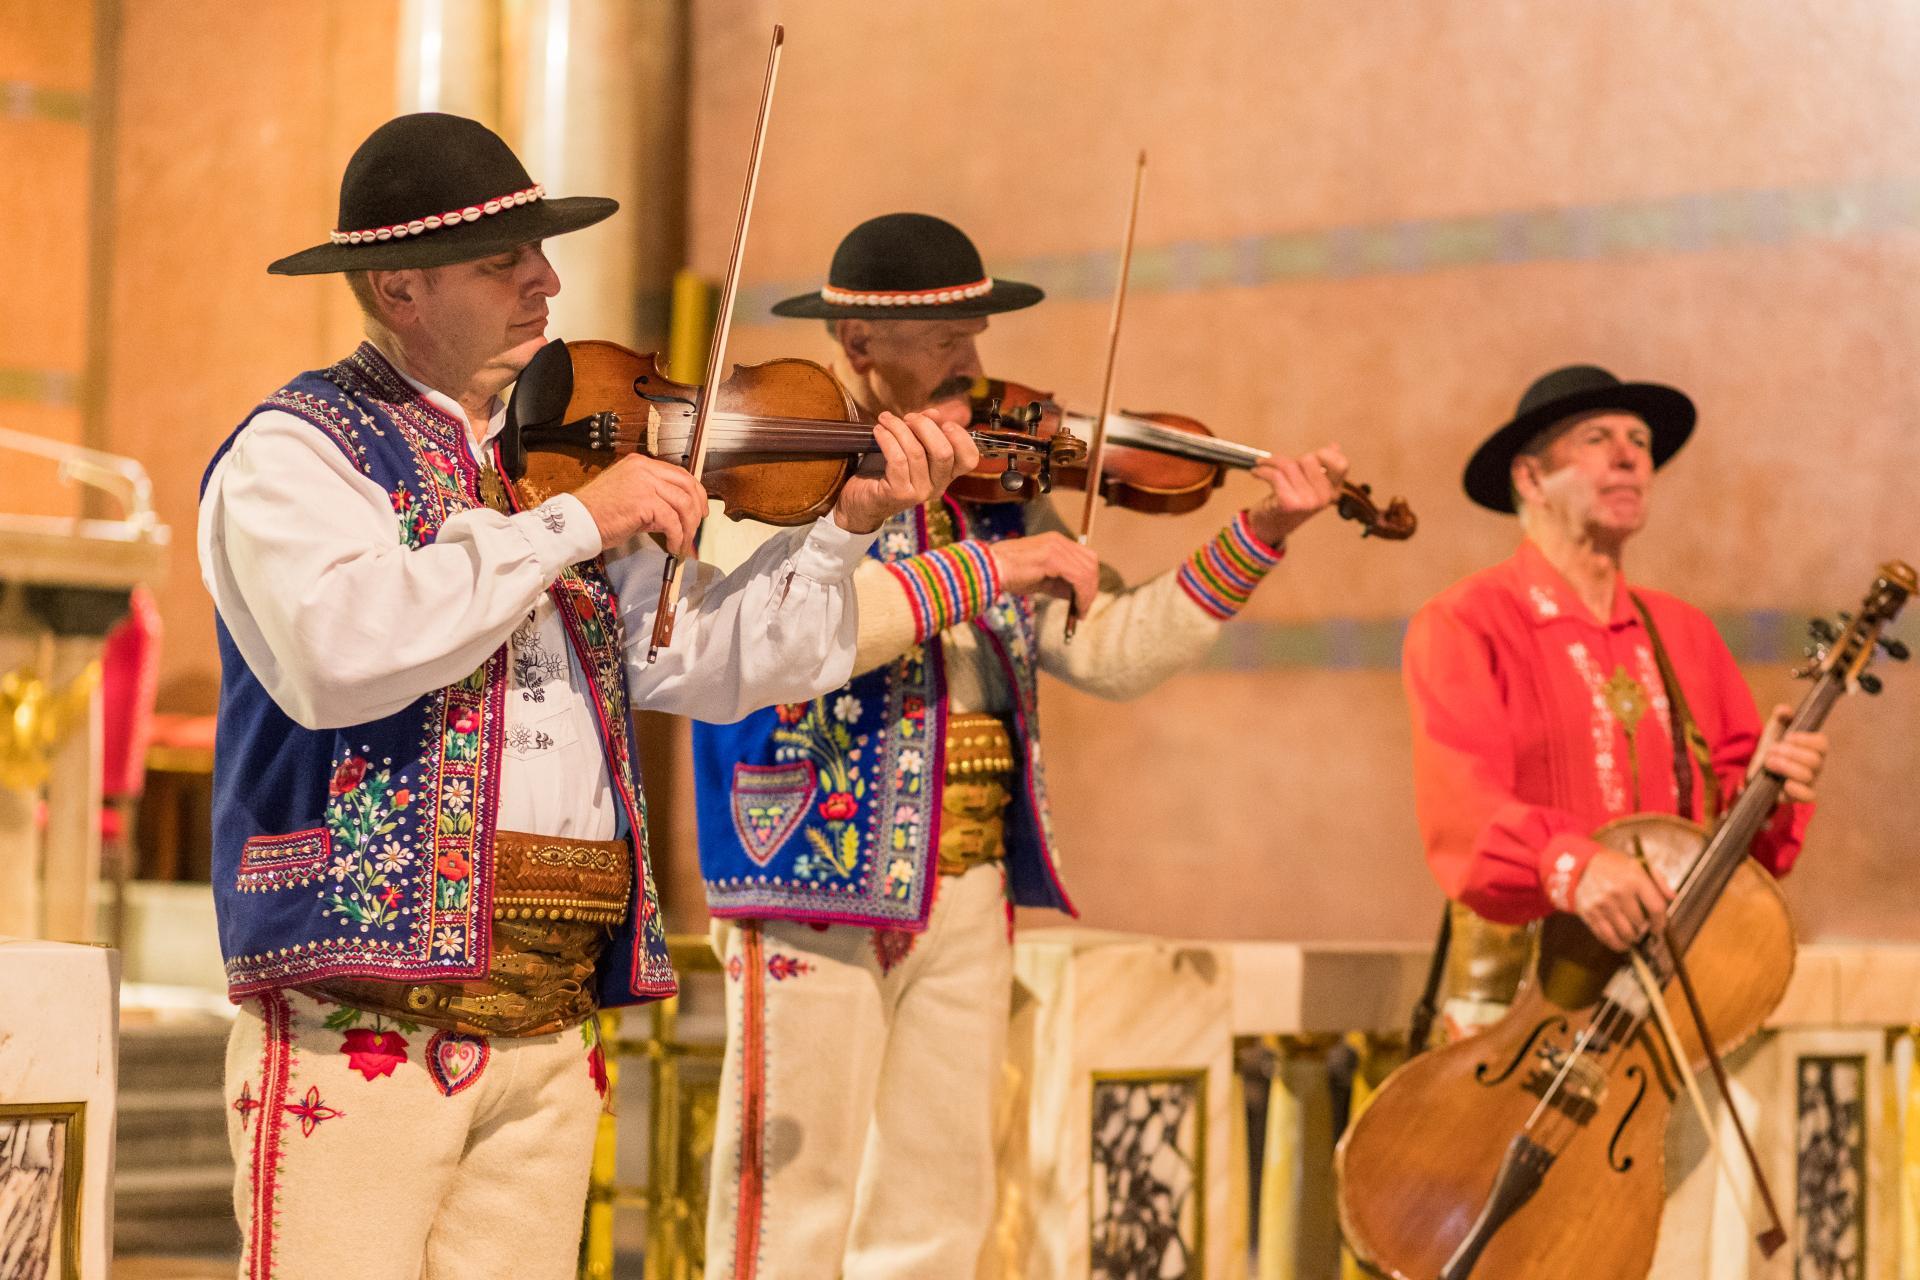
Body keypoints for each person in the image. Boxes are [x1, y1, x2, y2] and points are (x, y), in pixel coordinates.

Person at [199, 114, 975, 1280]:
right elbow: (336, 648)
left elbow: (710, 661)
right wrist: (573, 523)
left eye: (540, 255)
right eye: (501, 261)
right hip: (361, 1002)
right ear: (400, 285)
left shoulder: (556, 452)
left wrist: (842, 535)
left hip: (555, 1000)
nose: (545, 281)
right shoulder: (301, 452)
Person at [691, 211, 1349, 1278]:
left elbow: (1110, 651)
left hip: (966, 877)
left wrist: (1257, 535)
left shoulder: (988, 498)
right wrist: (994, 569)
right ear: (860, 346)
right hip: (805, 864)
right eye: (949, 338)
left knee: (939, 1202)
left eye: (976, 334)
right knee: (788, 1204)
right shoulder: (775, 465)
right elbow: (789, 637)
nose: (977, 365)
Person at [1403, 364, 1829, 1043]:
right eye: (1597, 438)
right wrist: (1575, 866)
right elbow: (1465, 814)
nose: (1632, 454)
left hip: (1672, 999)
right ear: (1531, 479)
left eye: (1640, 440)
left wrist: (1764, 794)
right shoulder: (1467, 621)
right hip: (1523, 1010)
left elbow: (1740, 846)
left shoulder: (1686, 632)